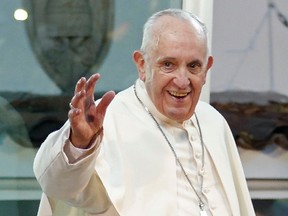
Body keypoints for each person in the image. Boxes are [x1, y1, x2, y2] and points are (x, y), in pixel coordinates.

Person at [33, 8, 255, 216]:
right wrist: (79, 145)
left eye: (194, 66)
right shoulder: (103, 120)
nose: (181, 81)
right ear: (142, 64)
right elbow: (59, 187)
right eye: (168, 64)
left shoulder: (213, 122)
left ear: (206, 69)